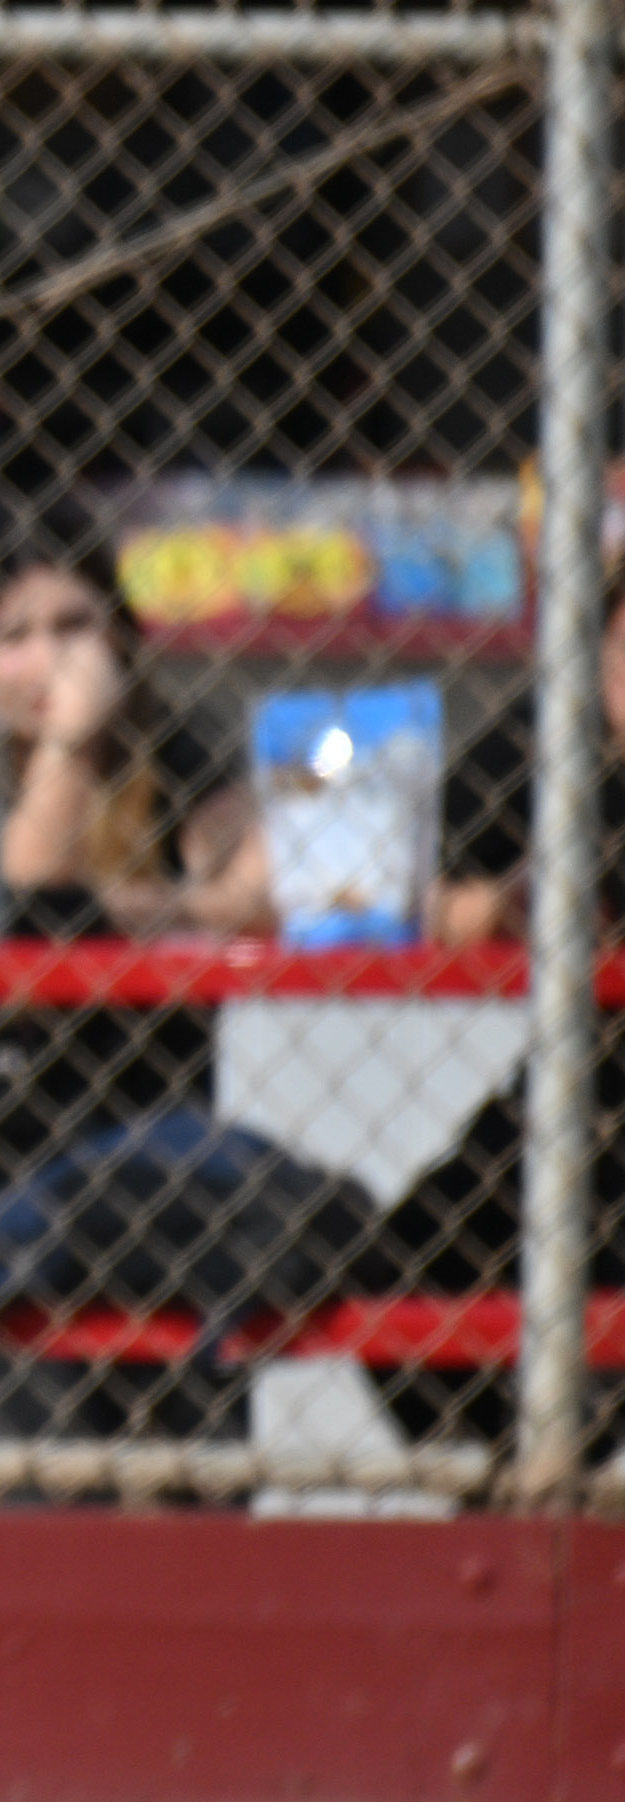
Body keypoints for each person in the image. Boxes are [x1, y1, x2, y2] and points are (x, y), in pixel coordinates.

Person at [0, 548, 371, 1438]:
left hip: (138, 1134)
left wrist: (120, 898)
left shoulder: (169, 751)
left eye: (76, 628)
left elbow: (260, 893)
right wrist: (68, 749)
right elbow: (19, 906)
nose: (55, 660)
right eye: (15, 636)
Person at [368, 577, 625, 1450]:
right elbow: (395, 881)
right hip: (587, 1096)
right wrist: (489, 907)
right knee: (403, 1262)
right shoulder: (558, 738)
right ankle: (517, 1485)